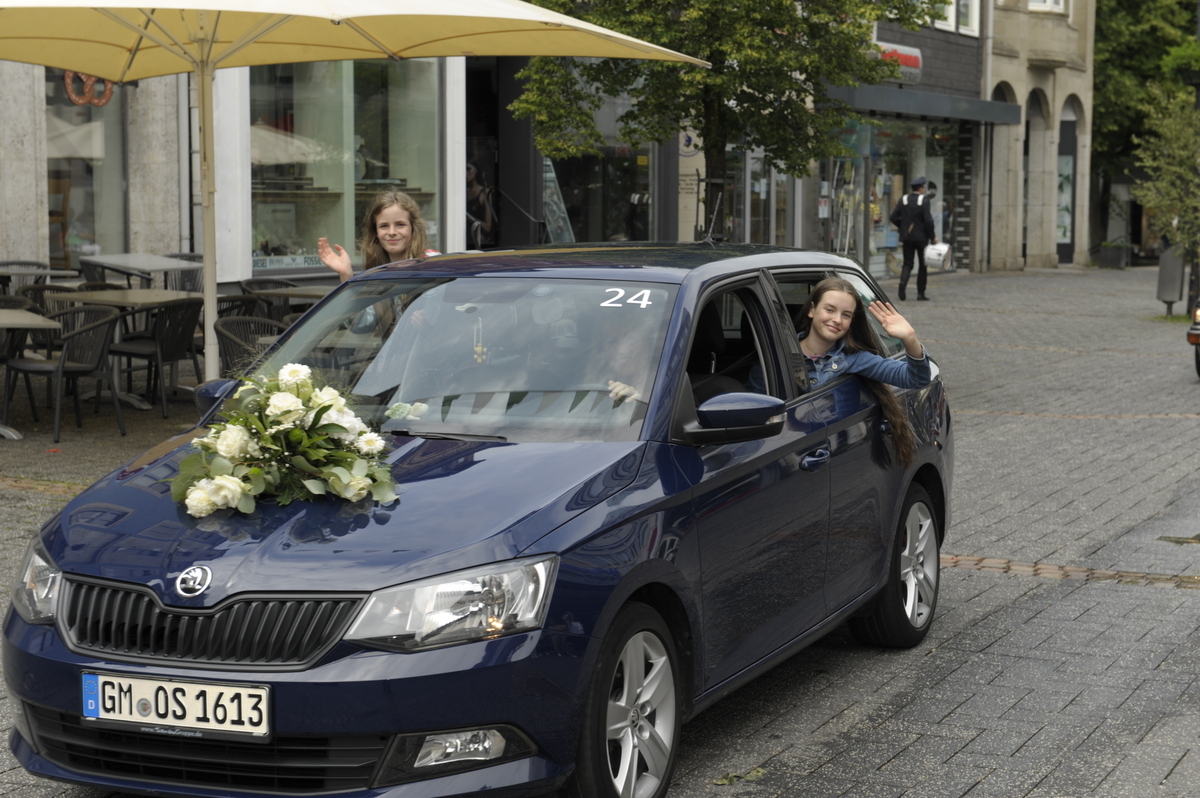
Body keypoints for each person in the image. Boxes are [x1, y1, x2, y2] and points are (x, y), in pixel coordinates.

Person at [318, 189, 438, 283]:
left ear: (413, 228)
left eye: (400, 224)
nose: (392, 232)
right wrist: (346, 274)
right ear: (375, 232)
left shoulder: (432, 262)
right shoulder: (376, 270)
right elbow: (365, 307)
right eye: (384, 226)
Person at [889, 176, 937, 301]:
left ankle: (903, 283)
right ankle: (920, 293)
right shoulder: (924, 201)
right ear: (921, 188)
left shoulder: (903, 199)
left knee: (908, 263)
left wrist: (903, 227)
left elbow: (893, 217)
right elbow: (928, 221)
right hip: (921, 238)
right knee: (923, 265)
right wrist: (933, 237)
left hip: (907, 237)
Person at [466, 160, 497, 249]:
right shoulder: (462, 192)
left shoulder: (484, 193)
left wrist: (468, 216)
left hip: (479, 242)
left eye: (468, 169)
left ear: (476, 170)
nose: (466, 173)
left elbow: (487, 226)